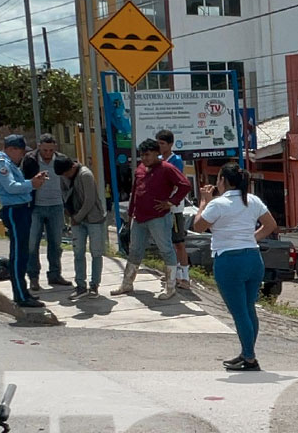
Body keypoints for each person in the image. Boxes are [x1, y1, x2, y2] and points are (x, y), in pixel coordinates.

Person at [195, 162, 277, 371]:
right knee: (249, 309)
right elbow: (270, 225)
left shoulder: (217, 204)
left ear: (223, 181)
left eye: (218, 179)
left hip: (228, 260)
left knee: (239, 312)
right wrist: (251, 239)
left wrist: (204, 202)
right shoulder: (252, 200)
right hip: (252, 257)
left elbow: (198, 226)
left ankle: (249, 357)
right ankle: (247, 352)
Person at [113, 139, 189, 300]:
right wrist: (130, 213)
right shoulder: (140, 169)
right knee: (135, 250)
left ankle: (170, 287)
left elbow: (185, 185)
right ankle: (127, 283)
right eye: (142, 155)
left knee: (166, 250)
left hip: (159, 218)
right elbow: (135, 192)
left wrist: (171, 202)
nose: (145, 158)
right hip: (139, 217)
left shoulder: (167, 169)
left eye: (147, 155)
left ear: (157, 154)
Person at [0, 135, 48, 308]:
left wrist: (33, 181)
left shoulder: (9, 164)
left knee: (22, 252)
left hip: (22, 208)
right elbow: (11, 187)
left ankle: (23, 292)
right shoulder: (2, 164)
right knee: (18, 253)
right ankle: (21, 295)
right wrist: (32, 184)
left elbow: (19, 183)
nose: (21, 156)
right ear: (12, 149)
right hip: (15, 210)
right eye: (20, 152)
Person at [22, 134, 69, 290]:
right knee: (32, 244)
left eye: (50, 150)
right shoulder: (30, 160)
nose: (47, 153)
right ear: (39, 146)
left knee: (56, 243)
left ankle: (55, 274)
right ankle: (33, 277)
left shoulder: (61, 159)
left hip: (56, 206)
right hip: (36, 206)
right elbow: (23, 182)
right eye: (45, 150)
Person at [57, 155, 106, 296]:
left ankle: (94, 284)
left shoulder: (85, 175)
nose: (65, 176)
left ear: (72, 167)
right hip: (75, 219)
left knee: (96, 252)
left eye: (67, 173)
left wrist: (77, 217)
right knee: (78, 252)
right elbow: (64, 195)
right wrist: (70, 215)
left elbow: (89, 200)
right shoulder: (63, 176)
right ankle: (80, 285)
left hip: (93, 219)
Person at [156, 129, 194, 290]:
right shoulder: (157, 160)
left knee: (178, 242)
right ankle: (173, 274)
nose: (160, 146)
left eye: (162, 143)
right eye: (158, 143)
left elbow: (178, 183)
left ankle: (185, 276)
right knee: (166, 244)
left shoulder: (176, 160)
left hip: (174, 208)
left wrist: (171, 201)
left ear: (170, 144)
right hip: (160, 207)